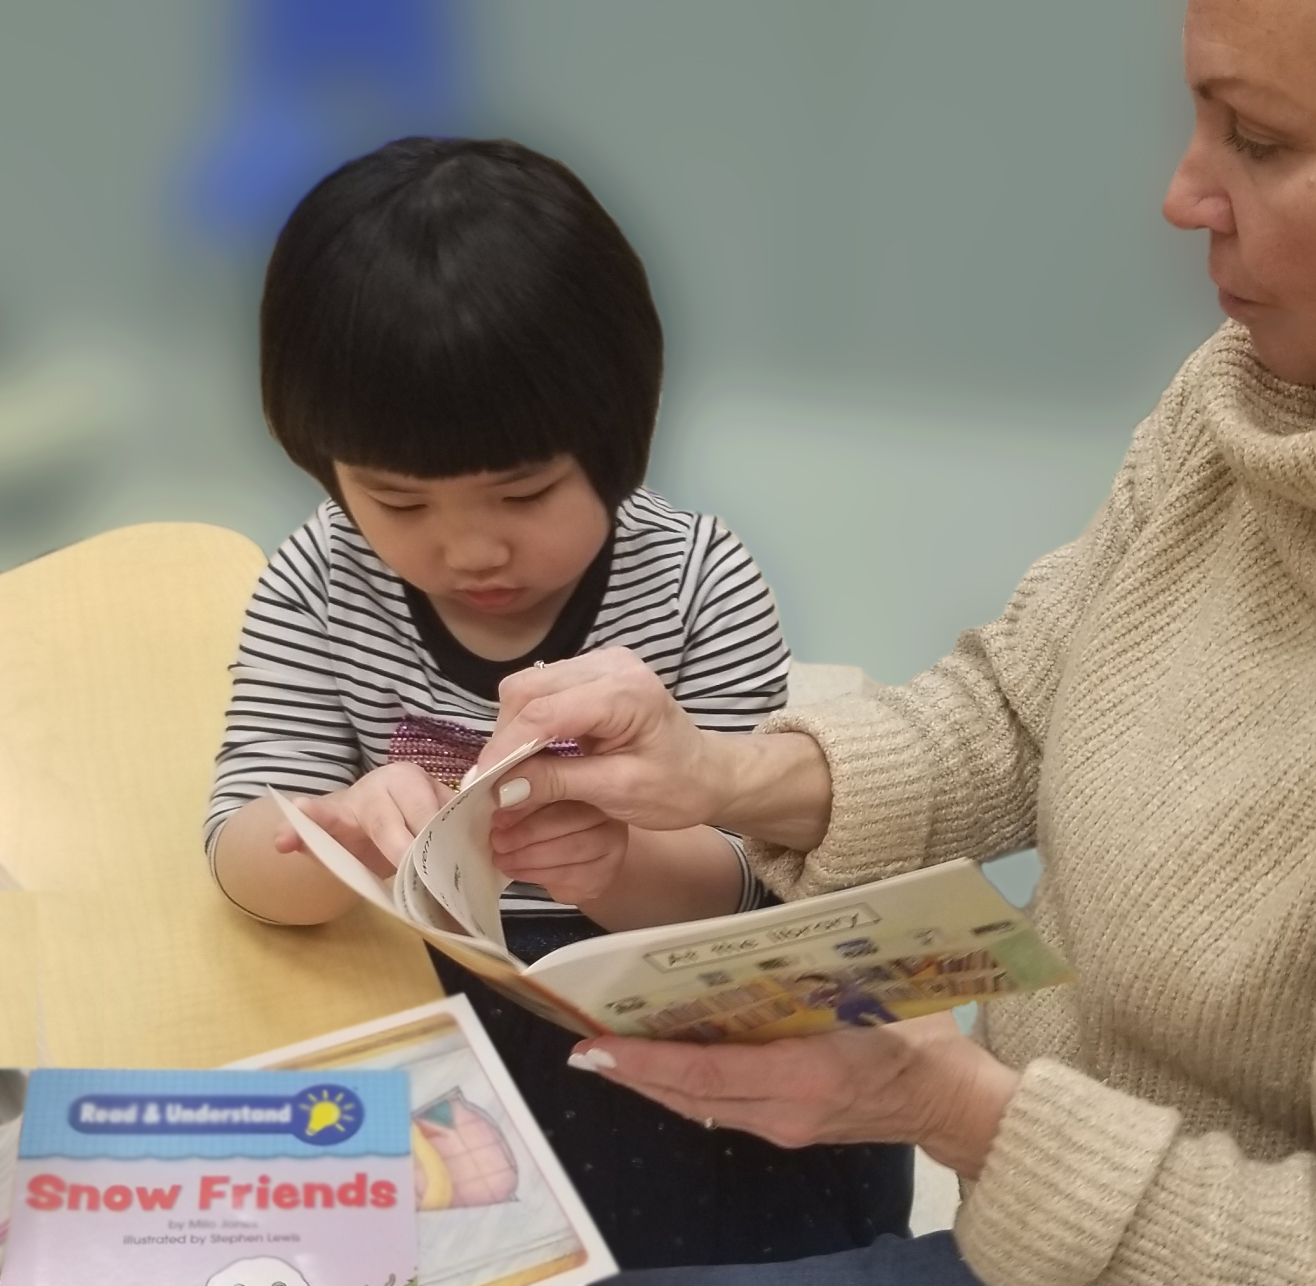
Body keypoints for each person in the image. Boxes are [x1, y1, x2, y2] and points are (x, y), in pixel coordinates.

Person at [466, 0, 1316, 1281]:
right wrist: (722, 775)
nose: (1182, 192)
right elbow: (1020, 705)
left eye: (1257, 138)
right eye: (1197, 118)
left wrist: (952, 1106)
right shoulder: (1247, 402)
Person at [202, 137, 912, 1270]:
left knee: (745, 1186)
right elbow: (239, 849)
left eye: (524, 491)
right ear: (323, 463)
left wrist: (619, 861)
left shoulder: (694, 581)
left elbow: (747, 884)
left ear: (614, 439)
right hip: (419, 991)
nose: (471, 546)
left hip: (645, 995)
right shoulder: (317, 580)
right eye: (397, 498)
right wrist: (329, 832)